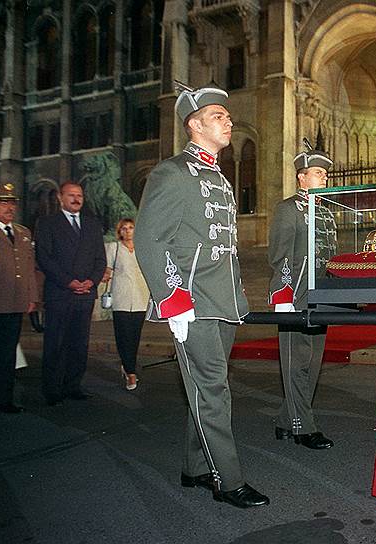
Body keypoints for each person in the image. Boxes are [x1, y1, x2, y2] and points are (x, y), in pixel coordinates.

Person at [134, 83, 268, 510]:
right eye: (217, 116)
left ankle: (194, 466)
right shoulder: (173, 172)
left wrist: (237, 298)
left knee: (207, 386)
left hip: (221, 301)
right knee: (213, 390)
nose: (227, 120)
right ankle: (227, 480)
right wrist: (172, 298)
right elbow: (150, 239)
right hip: (191, 303)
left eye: (227, 116)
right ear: (194, 125)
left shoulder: (219, 176)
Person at [268, 143, 337, 450]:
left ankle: (286, 420)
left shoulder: (325, 213)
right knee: (297, 362)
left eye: (325, 174)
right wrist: (281, 295)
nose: (324, 179)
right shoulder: (287, 210)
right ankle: (302, 427)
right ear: (301, 177)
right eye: (318, 173)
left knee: (313, 361)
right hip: (295, 295)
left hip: (321, 297)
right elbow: (279, 256)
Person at [35, 182, 106, 406]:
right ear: (60, 197)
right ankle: (53, 389)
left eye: (79, 195)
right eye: (71, 195)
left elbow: (100, 259)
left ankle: (73, 385)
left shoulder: (92, 224)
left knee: (79, 343)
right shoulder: (47, 223)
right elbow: (44, 258)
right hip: (60, 293)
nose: (76, 199)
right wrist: (69, 282)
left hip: (85, 294)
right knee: (56, 343)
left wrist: (91, 282)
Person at [0, 183, 37, 416]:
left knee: (8, 354)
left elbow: (28, 268)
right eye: (2, 202)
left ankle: (4, 400)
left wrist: (31, 297)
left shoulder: (22, 232)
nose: (9, 207)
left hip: (14, 303)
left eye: (11, 203)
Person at [102, 218, 150, 390]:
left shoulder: (143, 249)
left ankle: (127, 364)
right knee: (123, 336)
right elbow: (107, 270)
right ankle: (130, 372)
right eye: (124, 228)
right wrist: (105, 274)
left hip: (140, 297)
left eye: (131, 228)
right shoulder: (113, 248)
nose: (128, 231)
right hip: (121, 297)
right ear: (119, 231)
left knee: (134, 336)